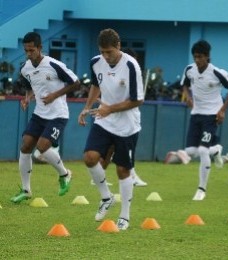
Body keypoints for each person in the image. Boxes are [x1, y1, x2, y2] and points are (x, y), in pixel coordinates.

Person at [78, 28, 144, 230]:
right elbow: (96, 85)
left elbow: (138, 100)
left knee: (123, 170)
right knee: (90, 157)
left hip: (127, 126)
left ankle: (124, 216)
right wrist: (87, 107)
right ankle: (106, 197)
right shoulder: (96, 62)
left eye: (109, 52)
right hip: (104, 120)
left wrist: (110, 109)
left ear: (118, 46)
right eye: (103, 52)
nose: (106, 56)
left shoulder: (132, 66)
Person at [10, 32, 80, 203]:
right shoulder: (25, 68)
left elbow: (75, 82)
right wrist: (27, 98)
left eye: (32, 50)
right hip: (39, 114)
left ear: (40, 48)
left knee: (42, 147)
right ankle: (26, 190)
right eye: (26, 50)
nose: (28, 54)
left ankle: (65, 174)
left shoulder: (54, 65)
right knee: (26, 146)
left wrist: (55, 95)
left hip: (58, 115)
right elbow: (30, 86)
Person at [181, 40, 228, 201]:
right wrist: (188, 97)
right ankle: (216, 150)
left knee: (203, 150)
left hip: (212, 115)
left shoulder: (217, 73)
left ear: (207, 57)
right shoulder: (189, 70)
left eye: (200, 57)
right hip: (196, 114)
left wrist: (222, 110)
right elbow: (184, 84)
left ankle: (201, 189)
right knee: (191, 151)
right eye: (195, 57)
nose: (197, 60)